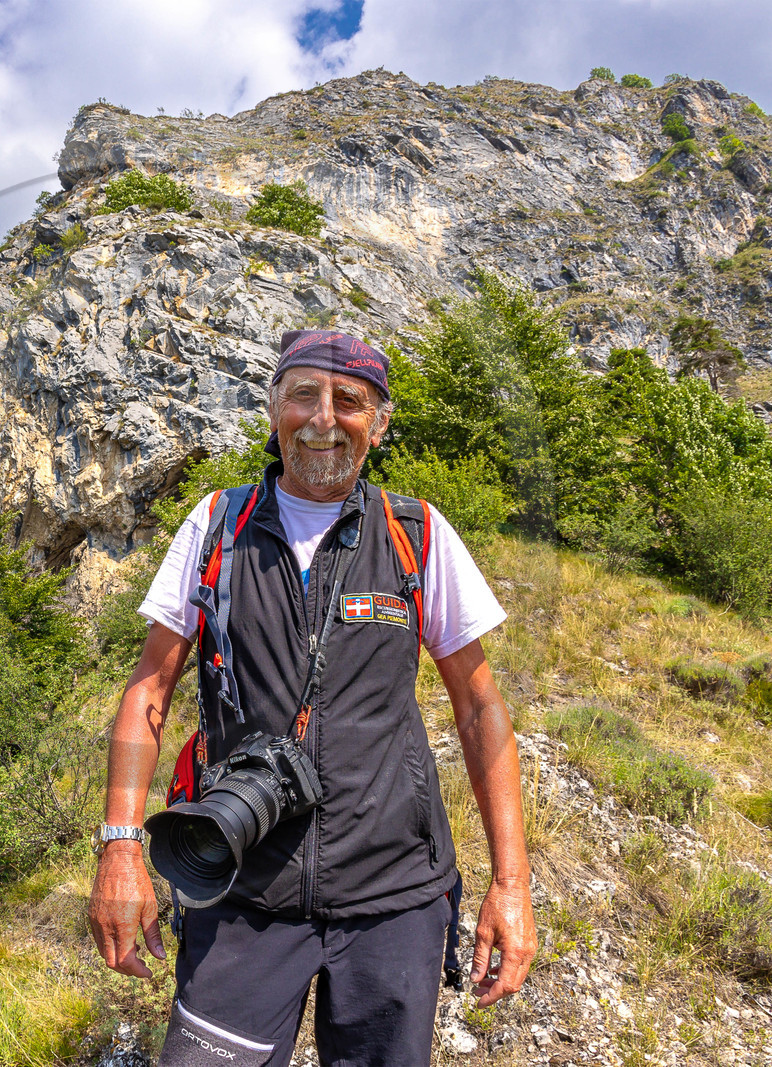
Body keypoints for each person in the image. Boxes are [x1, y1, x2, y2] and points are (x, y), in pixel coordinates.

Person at [88, 330, 536, 1066]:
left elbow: (482, 709)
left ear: (379, 424)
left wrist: (511, 886)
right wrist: (121, 850)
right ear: (273, 410)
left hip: (394, 899)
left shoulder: (416, 534)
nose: (323, 418)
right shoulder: (215, 527)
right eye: (303, 394)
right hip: (239, 886)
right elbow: (149, 692)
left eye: (349, 401)